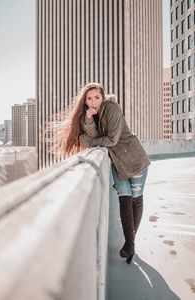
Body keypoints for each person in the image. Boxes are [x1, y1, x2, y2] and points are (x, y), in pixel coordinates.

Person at [55, 82, 150, 264]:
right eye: (89, 99)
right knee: (125, 199)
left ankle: (130, 243)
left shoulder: (112, 108)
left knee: (136, 199)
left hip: (134, 159)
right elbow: (94, 135)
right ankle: (130, 245)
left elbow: (111, 140)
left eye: (96, 97)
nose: (93, 102)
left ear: (103, 97)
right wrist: (89, 121)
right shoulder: (91, 114)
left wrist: (87, 140)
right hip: (116, 163)